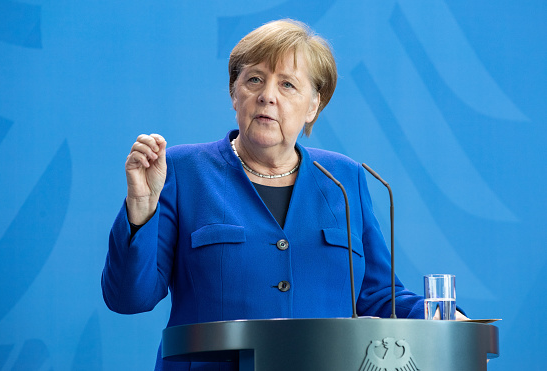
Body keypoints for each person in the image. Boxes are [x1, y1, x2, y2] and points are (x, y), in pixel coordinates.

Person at [102, 19, 428, 371]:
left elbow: (379, 296)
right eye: (254, 79)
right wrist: (140, 208)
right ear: (234, 93)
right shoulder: (180, 170)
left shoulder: (344, 178)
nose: (267, 95)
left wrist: (445, 316)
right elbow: (128, 298)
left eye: (287, 84)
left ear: (313, 106)